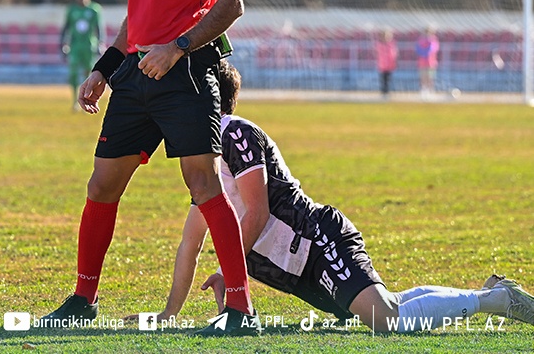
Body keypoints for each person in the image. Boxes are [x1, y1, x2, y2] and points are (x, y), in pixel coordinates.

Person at [43, 0, 259, 337]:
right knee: (101, 184)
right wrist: (101, 68)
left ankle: (240, 307)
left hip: (187, 75)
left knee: (203, 184)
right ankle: (82, 298)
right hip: (136, 76)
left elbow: (232, 3)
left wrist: (178, 48)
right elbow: (135, 20)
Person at [146, 61, 534, 333]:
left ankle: (498, 300)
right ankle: (492, 293)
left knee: (389, 320)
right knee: (386, 306)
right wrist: (169, 313)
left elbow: (259, 213)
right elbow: (190, 243)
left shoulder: (235, 134)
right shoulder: (207, 155)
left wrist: (233, 275)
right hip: (299, 270)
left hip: (318, 241)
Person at [60, 0, 103, 110]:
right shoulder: (72, 10)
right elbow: (66, 28)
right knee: (73, 73)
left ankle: (87, 99)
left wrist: (101, 43)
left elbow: (99, 28)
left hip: (89, 46)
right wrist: (63, 43)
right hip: (75, 46)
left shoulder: (94, 9)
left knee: (88, 73)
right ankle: (74, 101)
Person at [416, 26, 439, 97]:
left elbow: (433, 49)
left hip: (431, 63)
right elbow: (418, 49)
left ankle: (430, 90)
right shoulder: (420, 40)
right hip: (422, 62)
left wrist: (426, 53)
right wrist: (423, 53)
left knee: (430, 77)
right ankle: (423, 90)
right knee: (423, 77)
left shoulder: (433, 40)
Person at [375, 29, 398, 97]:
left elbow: (393, 54)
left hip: (389, 65)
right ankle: (383, 92)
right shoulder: (380, 44)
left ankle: (387, 91)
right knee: (383, 79)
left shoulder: (391, 44)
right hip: (382, 65)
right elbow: (379, 53)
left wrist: (393, 62)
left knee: (388, 79)